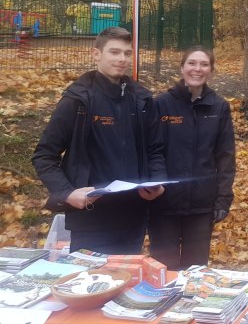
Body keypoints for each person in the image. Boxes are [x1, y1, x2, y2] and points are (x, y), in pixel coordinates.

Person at [32, 27, 166, 254]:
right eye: (114, 52)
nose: (122, 59)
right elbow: (44, 156)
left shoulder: (142, 100)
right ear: (96, 54)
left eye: (126, 53)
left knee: (126, 284)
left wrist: (157, 181)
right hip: (90, 221)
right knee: (89, 286)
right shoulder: (77, 101)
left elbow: (155, 149)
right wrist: (66, 193)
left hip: (133, 218)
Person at [149, 47, 236, 270]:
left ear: (211, 70)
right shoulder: (161, 104)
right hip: (164, 204)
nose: (197, 69)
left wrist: (223, 198)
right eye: (192, 63)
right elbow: (152, 150)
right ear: (182, 67)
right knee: (163, 270)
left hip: (202, 206)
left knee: (195, 272)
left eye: (204, 64)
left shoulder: (218, 107)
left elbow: (225, 157)